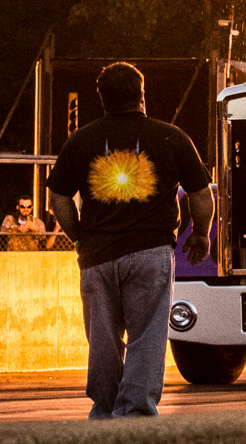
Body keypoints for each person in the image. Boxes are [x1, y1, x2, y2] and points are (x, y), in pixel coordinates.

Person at [47, 61, 213, 418]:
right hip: (151, 253)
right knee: (147, 339)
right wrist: (200, 234)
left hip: (97, 256)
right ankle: (135, 413)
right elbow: (201, 195)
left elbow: (58, 198)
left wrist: (79, 236)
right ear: (141, 94)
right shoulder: (171, 137)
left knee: (103, 341)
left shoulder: (81, 140)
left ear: (102, 99)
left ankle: (105, 410)